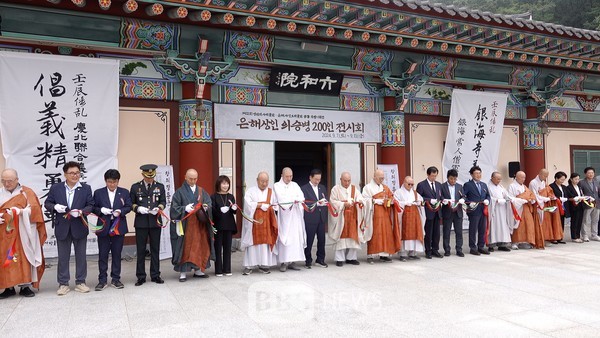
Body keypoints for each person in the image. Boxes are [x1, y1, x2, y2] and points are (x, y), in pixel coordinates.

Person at [44, 161, 94, 295]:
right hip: (63, 227)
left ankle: (81, 282)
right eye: (72, 173)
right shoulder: (56, 188)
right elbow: (47, 203)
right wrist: (55, 207)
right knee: (63, 257)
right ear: (65, 174)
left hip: (80, 226)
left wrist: (82, 212)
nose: (75, 175)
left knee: (81, 256)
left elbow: (91, 205)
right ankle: (63, 284)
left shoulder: (85, 188)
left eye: (77, 173)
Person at [0, 168, 47, 299]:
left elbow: (35, 210)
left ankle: (25, 286)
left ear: (17, 180)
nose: (6, 184)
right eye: (3, 181)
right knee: (7, 258)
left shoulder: (26, 193)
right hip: (4, 234)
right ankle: (8, 287)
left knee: (24, 256)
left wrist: (21, 212)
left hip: (23, 232)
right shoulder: (0, 193)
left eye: (9, 181)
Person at [170, 169, 214, 282]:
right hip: (186, 225)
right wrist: (184, 208)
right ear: (185, 177)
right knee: (185, 248)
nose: (193, 181)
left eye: (195, 179)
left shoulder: (201, 191)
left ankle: (198, 270)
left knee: (200, 246)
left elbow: (209, 203)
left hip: (199, 225)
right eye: (190, 178)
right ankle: (183, 272)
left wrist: (205, 207)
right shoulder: (179, 192)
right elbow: (174, 208)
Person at [92, 169, 132, 291]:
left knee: (116, 254)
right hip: (104, 227)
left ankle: (116, 279)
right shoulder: (98, 193)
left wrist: (121, 211)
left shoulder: (124, 192)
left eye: (114, 182)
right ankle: (102, 280)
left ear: (118, 181)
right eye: (109, 182)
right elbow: (93, 207)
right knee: (103, 255)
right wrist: (101, 211)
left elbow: (129, 206)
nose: (112, 184)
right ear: (105, 181)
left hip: (118, 227)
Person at [130, 164, 166, 286]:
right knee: (141, 250)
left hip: (155, 221)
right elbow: (131, 203)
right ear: (143, 175)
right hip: (141, 222)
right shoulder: (135, 187)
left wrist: (159, 208)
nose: (150, 179)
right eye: (147, 177)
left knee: (155, 249)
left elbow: (163, 201)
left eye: (152, 176)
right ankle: (141, 276)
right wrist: (138, 208)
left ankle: (155, 275)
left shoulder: (160, 187)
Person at [241, 172, 278, 275]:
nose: (264, 184)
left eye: (266, 181)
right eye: (262, 181)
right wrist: (260, 205)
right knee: (253, 243)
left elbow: (275, 204)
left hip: (267, 222)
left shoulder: (271, 192)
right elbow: (248, 205)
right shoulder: (251, 191)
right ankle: (249, 265)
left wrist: (274, 207)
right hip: (254, 223)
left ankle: (264, 265)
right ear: (257, 180)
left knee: (265, 243)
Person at [362, 169, 401, 264]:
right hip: (374, 214)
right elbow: (364, 200)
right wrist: (374, 201)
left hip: (385, 214)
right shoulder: (368, 187)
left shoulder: (385, 187)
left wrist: (390, 201)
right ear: (374, 177)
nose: (381, 180)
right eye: (380, 178)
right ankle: (371, 255)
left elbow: (391, 197)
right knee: (374, 234)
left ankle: (384, 255)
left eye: (383, 178)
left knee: (386, 233)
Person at [273, 167, 306, 272]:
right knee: (285, 238)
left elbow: (301, 196)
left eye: (291, 176)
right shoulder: (277, 186)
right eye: (287, 176)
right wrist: (293, 200)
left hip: (295, 216)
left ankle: (293, 262)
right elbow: (281, 199)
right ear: (282, 175)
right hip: (284, 216)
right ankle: (283, 262)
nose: (289, 178)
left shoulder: (295, 185)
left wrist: (298, 200)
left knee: (295, 238)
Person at [328, 172, 364, 267]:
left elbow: (360, 197)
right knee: (341, 238)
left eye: (349, 181)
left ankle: (351, 258)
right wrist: (343, 204)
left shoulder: (354, 188)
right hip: (341, 217)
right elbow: (332, 201)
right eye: (345, 181)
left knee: (352, 237)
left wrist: (360, 201)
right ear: (340, 179)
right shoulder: (335, 189)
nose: (347, 183)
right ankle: (339, 259)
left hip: (352, 216)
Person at [508, 171, 544, 249]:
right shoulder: (512, 186)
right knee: (518, 225)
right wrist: (521, 200)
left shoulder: (524, 187)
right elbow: (511, 198)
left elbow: (531, 195)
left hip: (526, 208)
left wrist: (531, 199)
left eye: (524, 177)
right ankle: (515, 242)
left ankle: (526, 241)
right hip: (517, 208)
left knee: (529, 224)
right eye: (521, 177)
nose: (523, 179)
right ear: (516, 177)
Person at [301, 169, 328, 268]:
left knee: (322, 239)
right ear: (310, 177)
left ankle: (320, 259)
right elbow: (303, 202)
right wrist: (316, 203)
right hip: (310, 217)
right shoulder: (304, 188)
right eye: (316, 179)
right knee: (309, 240)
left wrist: (324, 203)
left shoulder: (322, 187)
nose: (317, 181)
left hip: (321, 217)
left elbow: (325, 199)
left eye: (319, 179)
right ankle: (308, 259)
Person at [211, 175, 237, 277]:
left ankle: (227, 269)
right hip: (218, 225)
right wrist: (220, 211)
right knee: (218, 248)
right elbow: (212, 210)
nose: (225, 185)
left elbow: (234, 212)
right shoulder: (213, 196)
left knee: (227, 248)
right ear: (219, 184)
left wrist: (233, 208)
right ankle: (218, 270)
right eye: (223, 183)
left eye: (227, 183)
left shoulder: (231, 196)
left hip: (229, 225)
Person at [394, 176, 425, 261]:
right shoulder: (398, 192)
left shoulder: (415, 193)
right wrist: (405, 203)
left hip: (415, 216)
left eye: (412, 184)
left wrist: (419, 202)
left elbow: (421, 200)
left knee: (415, 233)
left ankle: (413, 253)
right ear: (404, 183)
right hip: (404, 216)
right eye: (409, 184)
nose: (410, 186)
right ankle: (403, 253)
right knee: (404, 233)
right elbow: (395, 202)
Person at [462, 166, 491, 256]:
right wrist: (468, 203)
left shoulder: (483, 184)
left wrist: (487, 200)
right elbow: (463, 196)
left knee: (482, 229)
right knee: (473, 229)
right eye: (476, 173)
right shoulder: (468, 185)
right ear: (471, 174)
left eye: (479, 173)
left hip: (483, 209)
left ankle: (481, 246)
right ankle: (473, 248)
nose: (478, 175)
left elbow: (488, 195)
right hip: (474, 210)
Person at [416, 166, 443, 259]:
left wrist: (445, 200)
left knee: (437, 232)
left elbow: (440, 196)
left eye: (435, 176)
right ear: (428, 174)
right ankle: (428, 251)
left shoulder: (439, 184)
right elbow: (419, 197)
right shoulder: (421, 185)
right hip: (428, 212)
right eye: (432, 176)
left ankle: (435, 249)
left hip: (437, 212)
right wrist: (429, 200)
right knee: (428, 232)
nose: (434, 178)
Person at [440, 169, 465, 257]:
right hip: (447, 211)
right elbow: (440, 196)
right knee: (446, 232)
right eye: (451, 179)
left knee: (459, 232)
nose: (453, 181)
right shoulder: (442, 186)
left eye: (455, 179)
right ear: (447, 178)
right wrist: (444, 200)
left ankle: (459, 249)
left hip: (458, 212)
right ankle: (447, 249)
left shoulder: (459, 186)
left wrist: (463, 199)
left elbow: (464, 196)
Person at [487, 172, 512, 252]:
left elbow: (505, 194)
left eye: (500, 179)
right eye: (497, 179)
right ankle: (491, 245)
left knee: (503, 227)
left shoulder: (500, 186)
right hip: (494, 210)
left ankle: (502, 244)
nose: (499, 181)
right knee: (494, 227)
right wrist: (497, 200)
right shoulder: (488, 187)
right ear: (492, 178)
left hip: (502, 209)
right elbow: (489, 198)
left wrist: (508, 198)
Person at [579, 167, 600, 242]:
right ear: (585, 174)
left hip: (597, 204)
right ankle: (584, 235)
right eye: (589, 173)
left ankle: (594, 235)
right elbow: (581, 194)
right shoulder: (581, 182)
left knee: (595, 220)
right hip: (587, 204)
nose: (591, 174)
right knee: (585, 220)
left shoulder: (596, 182)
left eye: (592, 173)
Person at [549, 171, 568, 244]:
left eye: (564, 180)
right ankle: (553, 237)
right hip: (555, 206)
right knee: (555, 221)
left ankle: (560, 236)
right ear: (556, 178)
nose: (562, 181)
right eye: (561, 179)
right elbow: (551, 195)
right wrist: (558, 198)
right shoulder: (551, 186)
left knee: (561, 221)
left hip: (562, 206)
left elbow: (567, 195)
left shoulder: (564, 187)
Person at [565, 173, 584, 243]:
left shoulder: (579, 186)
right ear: (571, 179)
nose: (577, 180)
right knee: (574, 221)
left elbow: (581, 194)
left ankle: (578, 235)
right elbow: (570, 196)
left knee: (579, 221)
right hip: (574, 206)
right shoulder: (569, 187)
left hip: (580, 205)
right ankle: (574, 237)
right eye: (575, 179)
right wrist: (577, 198)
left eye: (578, 179)